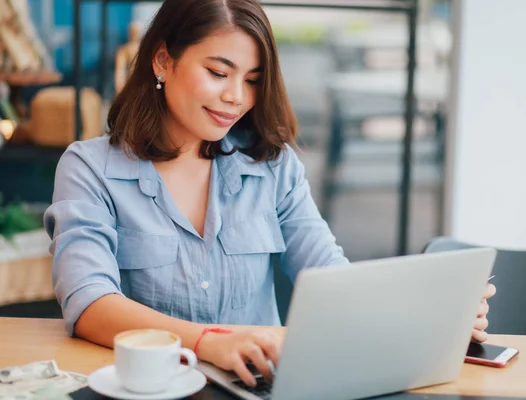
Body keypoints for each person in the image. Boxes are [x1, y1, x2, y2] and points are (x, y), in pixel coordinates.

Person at [44, 0, 496, 388]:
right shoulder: (90, 168)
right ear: (162, 61)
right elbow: (89, 304)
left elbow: (331, 281)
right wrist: (211, 343)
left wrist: (432, 315)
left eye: (253, 79)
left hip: (259, 386)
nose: (236, 97)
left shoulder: (272, 167)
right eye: (219, 72)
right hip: (150, 389)